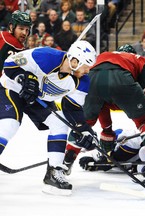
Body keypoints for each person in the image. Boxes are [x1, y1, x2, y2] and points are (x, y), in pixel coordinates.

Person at [0, 40, 97, 195]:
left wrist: (83, 129)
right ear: (75, 61)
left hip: (37, 99)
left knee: (59, 124)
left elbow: (73, 108)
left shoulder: (82, 82)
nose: (87, 71)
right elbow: (9, 64)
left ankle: (54, 172)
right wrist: (24, 78)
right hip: (12, 88)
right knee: (10, 124)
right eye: (86, 67)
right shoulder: (46, 56)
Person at [63, 44, 145, 175]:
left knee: (82, 123)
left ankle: (66, 161)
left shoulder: (103, 55)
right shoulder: (137, 58)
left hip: (92, 78)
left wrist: (107, 132)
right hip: (121, 79)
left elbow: (102, 105)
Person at [0, 10, 31, 76]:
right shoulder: (8, 42)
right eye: (21, 28)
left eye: (27, 30)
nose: (24, 33)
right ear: (11, 27)